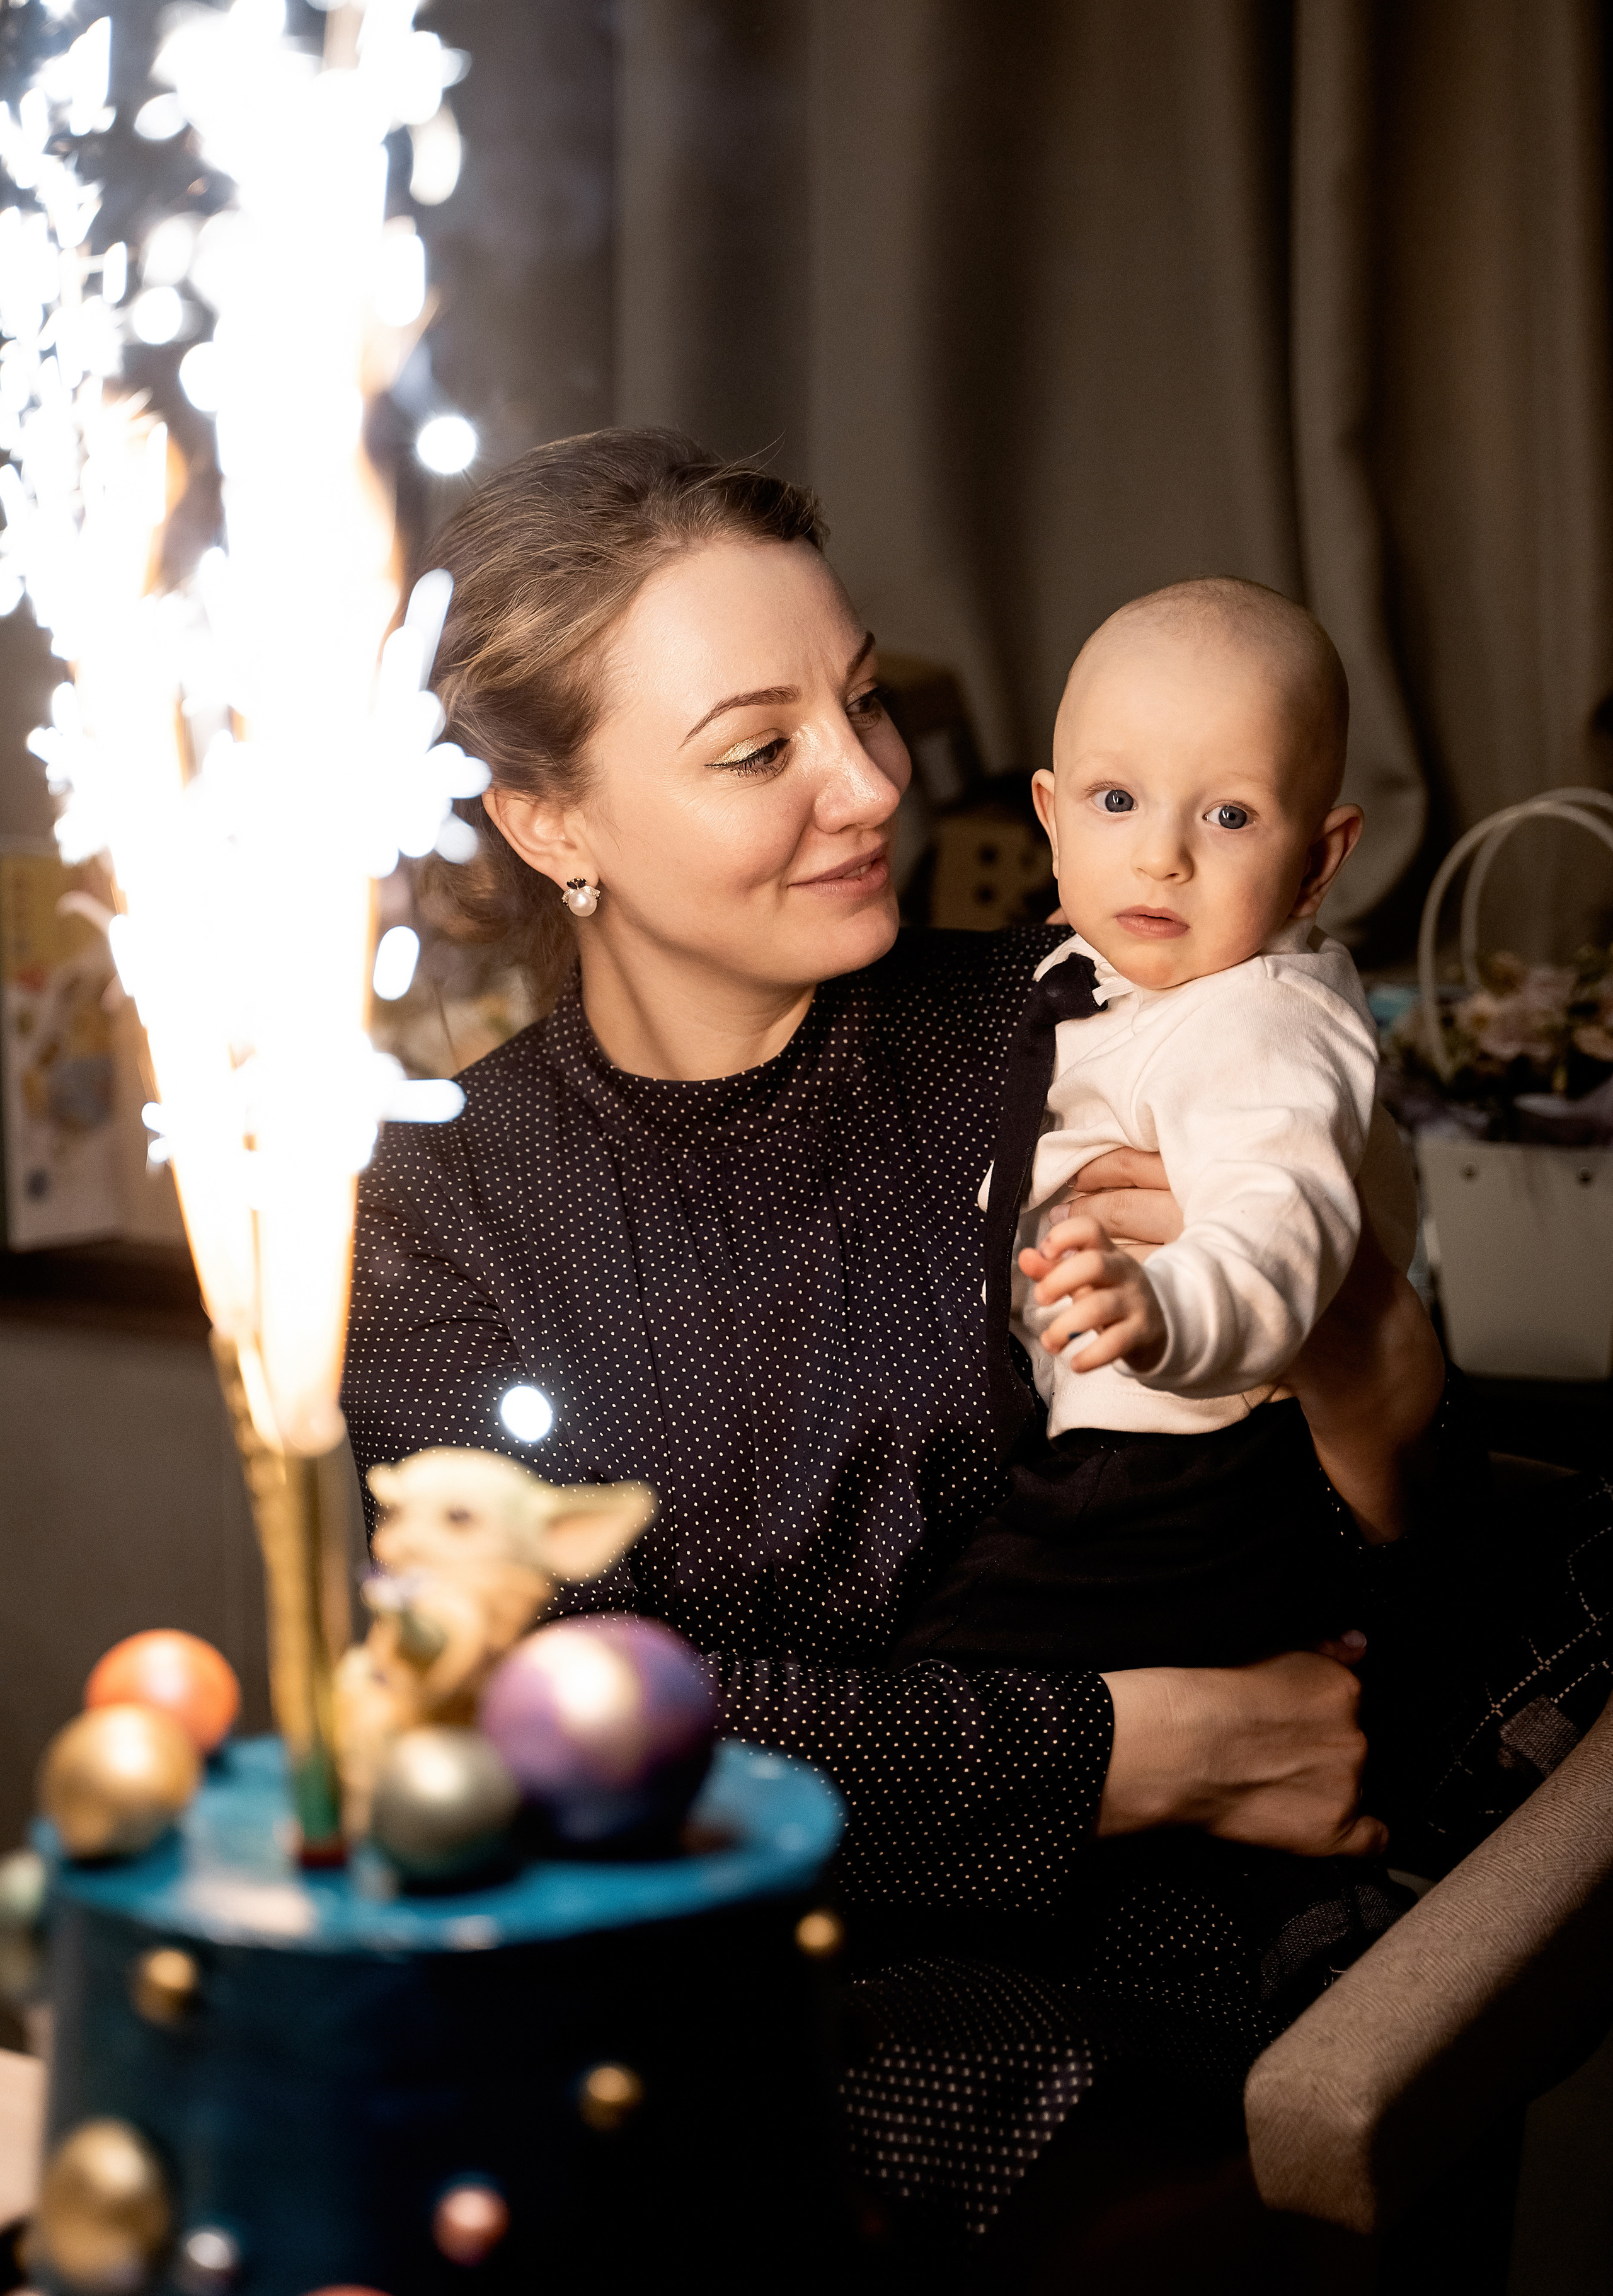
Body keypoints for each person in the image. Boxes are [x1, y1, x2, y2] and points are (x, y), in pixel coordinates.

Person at [340, 428, 1611, 2263]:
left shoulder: (1081, 1025)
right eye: (760, 748)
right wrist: (1135, 1749)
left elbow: (1376, 1580)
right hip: (678, 2024)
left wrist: (1344, 1328)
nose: (871, 784)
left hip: (1157, 1981)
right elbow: (557, 1750)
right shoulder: (444, 1215)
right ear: (554, 825)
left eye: (862, 702)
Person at [898, 575, 1425, 1678]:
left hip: (1186, 1452)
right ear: (1049, 818)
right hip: (1117, 1429)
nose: (1160, 858)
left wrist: (1164, 1304)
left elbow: (1278, 1229)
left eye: (1228, 816)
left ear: (1319, 863)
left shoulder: (1264, 1025)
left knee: (965, 1657)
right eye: (1115, 802)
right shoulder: (1099, 966)